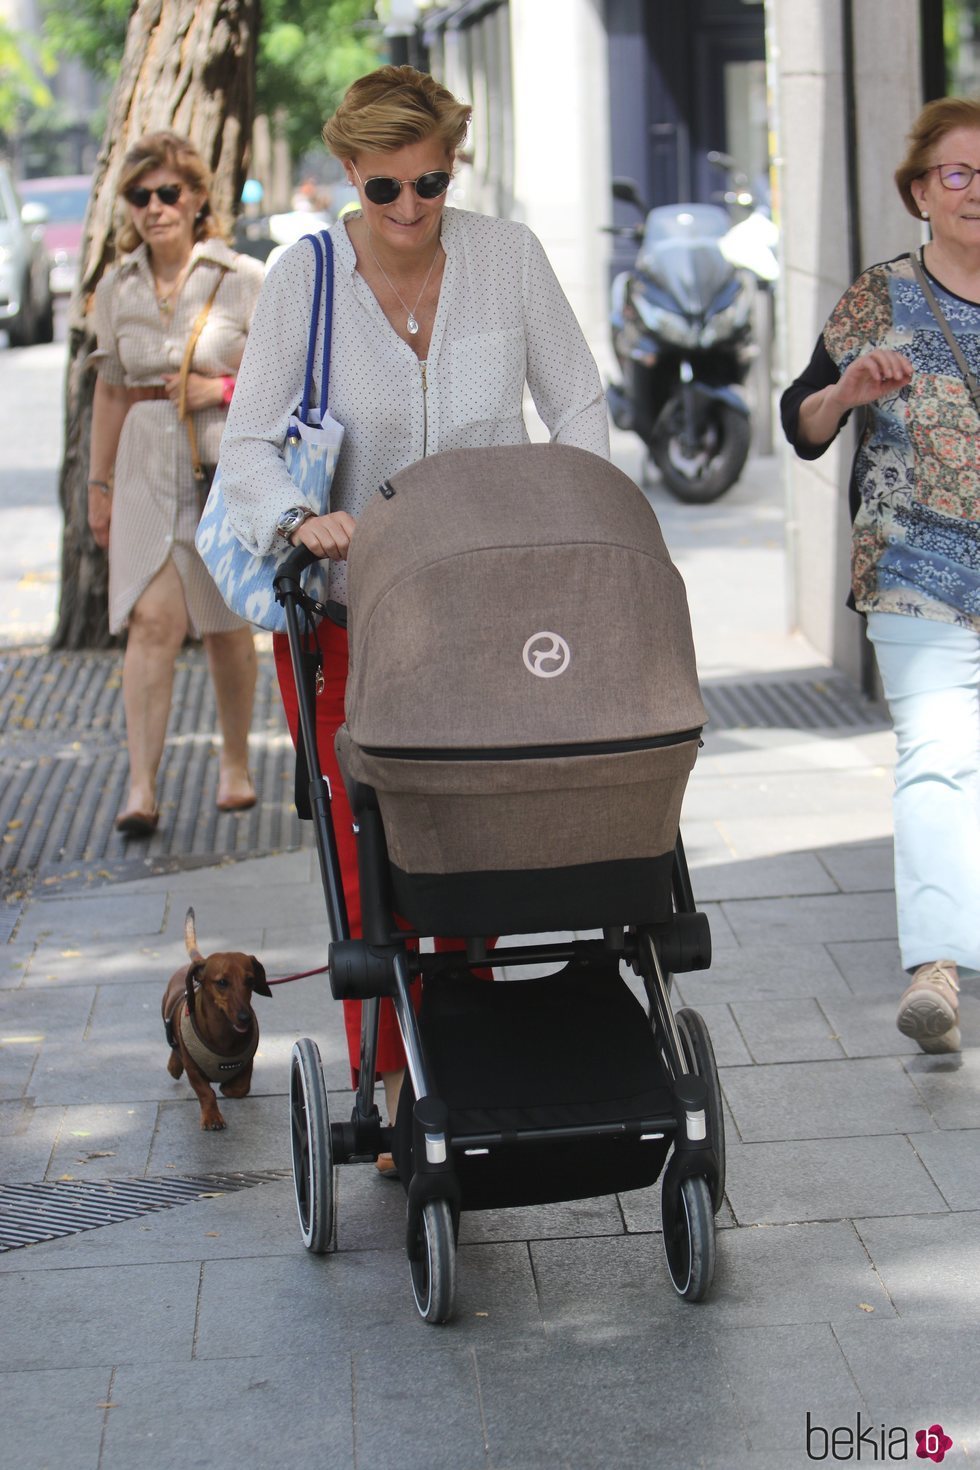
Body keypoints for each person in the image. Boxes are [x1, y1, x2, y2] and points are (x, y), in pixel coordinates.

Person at [219, 65, 610, 1154]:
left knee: (478, 843)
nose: (408, 211)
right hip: (359, 619)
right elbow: (247, 447)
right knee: (371, 857)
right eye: (384, 187)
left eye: (430, 184)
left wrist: (570, 513)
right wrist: (301, 518)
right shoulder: (308, 281)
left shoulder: (506, 260)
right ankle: (388, 1081)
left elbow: (576, 403)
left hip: (493, 611)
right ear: (347, 172)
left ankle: (467, 1062)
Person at [781, 96, 980, 1053]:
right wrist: (845, 391)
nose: (975, 190)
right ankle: (938, 969)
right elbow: (800, 422)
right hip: (916, 561)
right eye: (957, 172)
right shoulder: (880, 294)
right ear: (921, 192)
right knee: (937, 752)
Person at [88, 132, 265, 835]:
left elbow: (285, 380)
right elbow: (108, 391)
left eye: (169, 193)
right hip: (141, 470)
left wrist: (215, 387)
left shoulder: (241, 278)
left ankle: (235, 764)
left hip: (220, 465)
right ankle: (141, 786)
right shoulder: (115, 284)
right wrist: (98, 488)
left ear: (197, 199)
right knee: (152, 621)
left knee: (225, 626)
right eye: (141, 196)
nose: (155, 207)